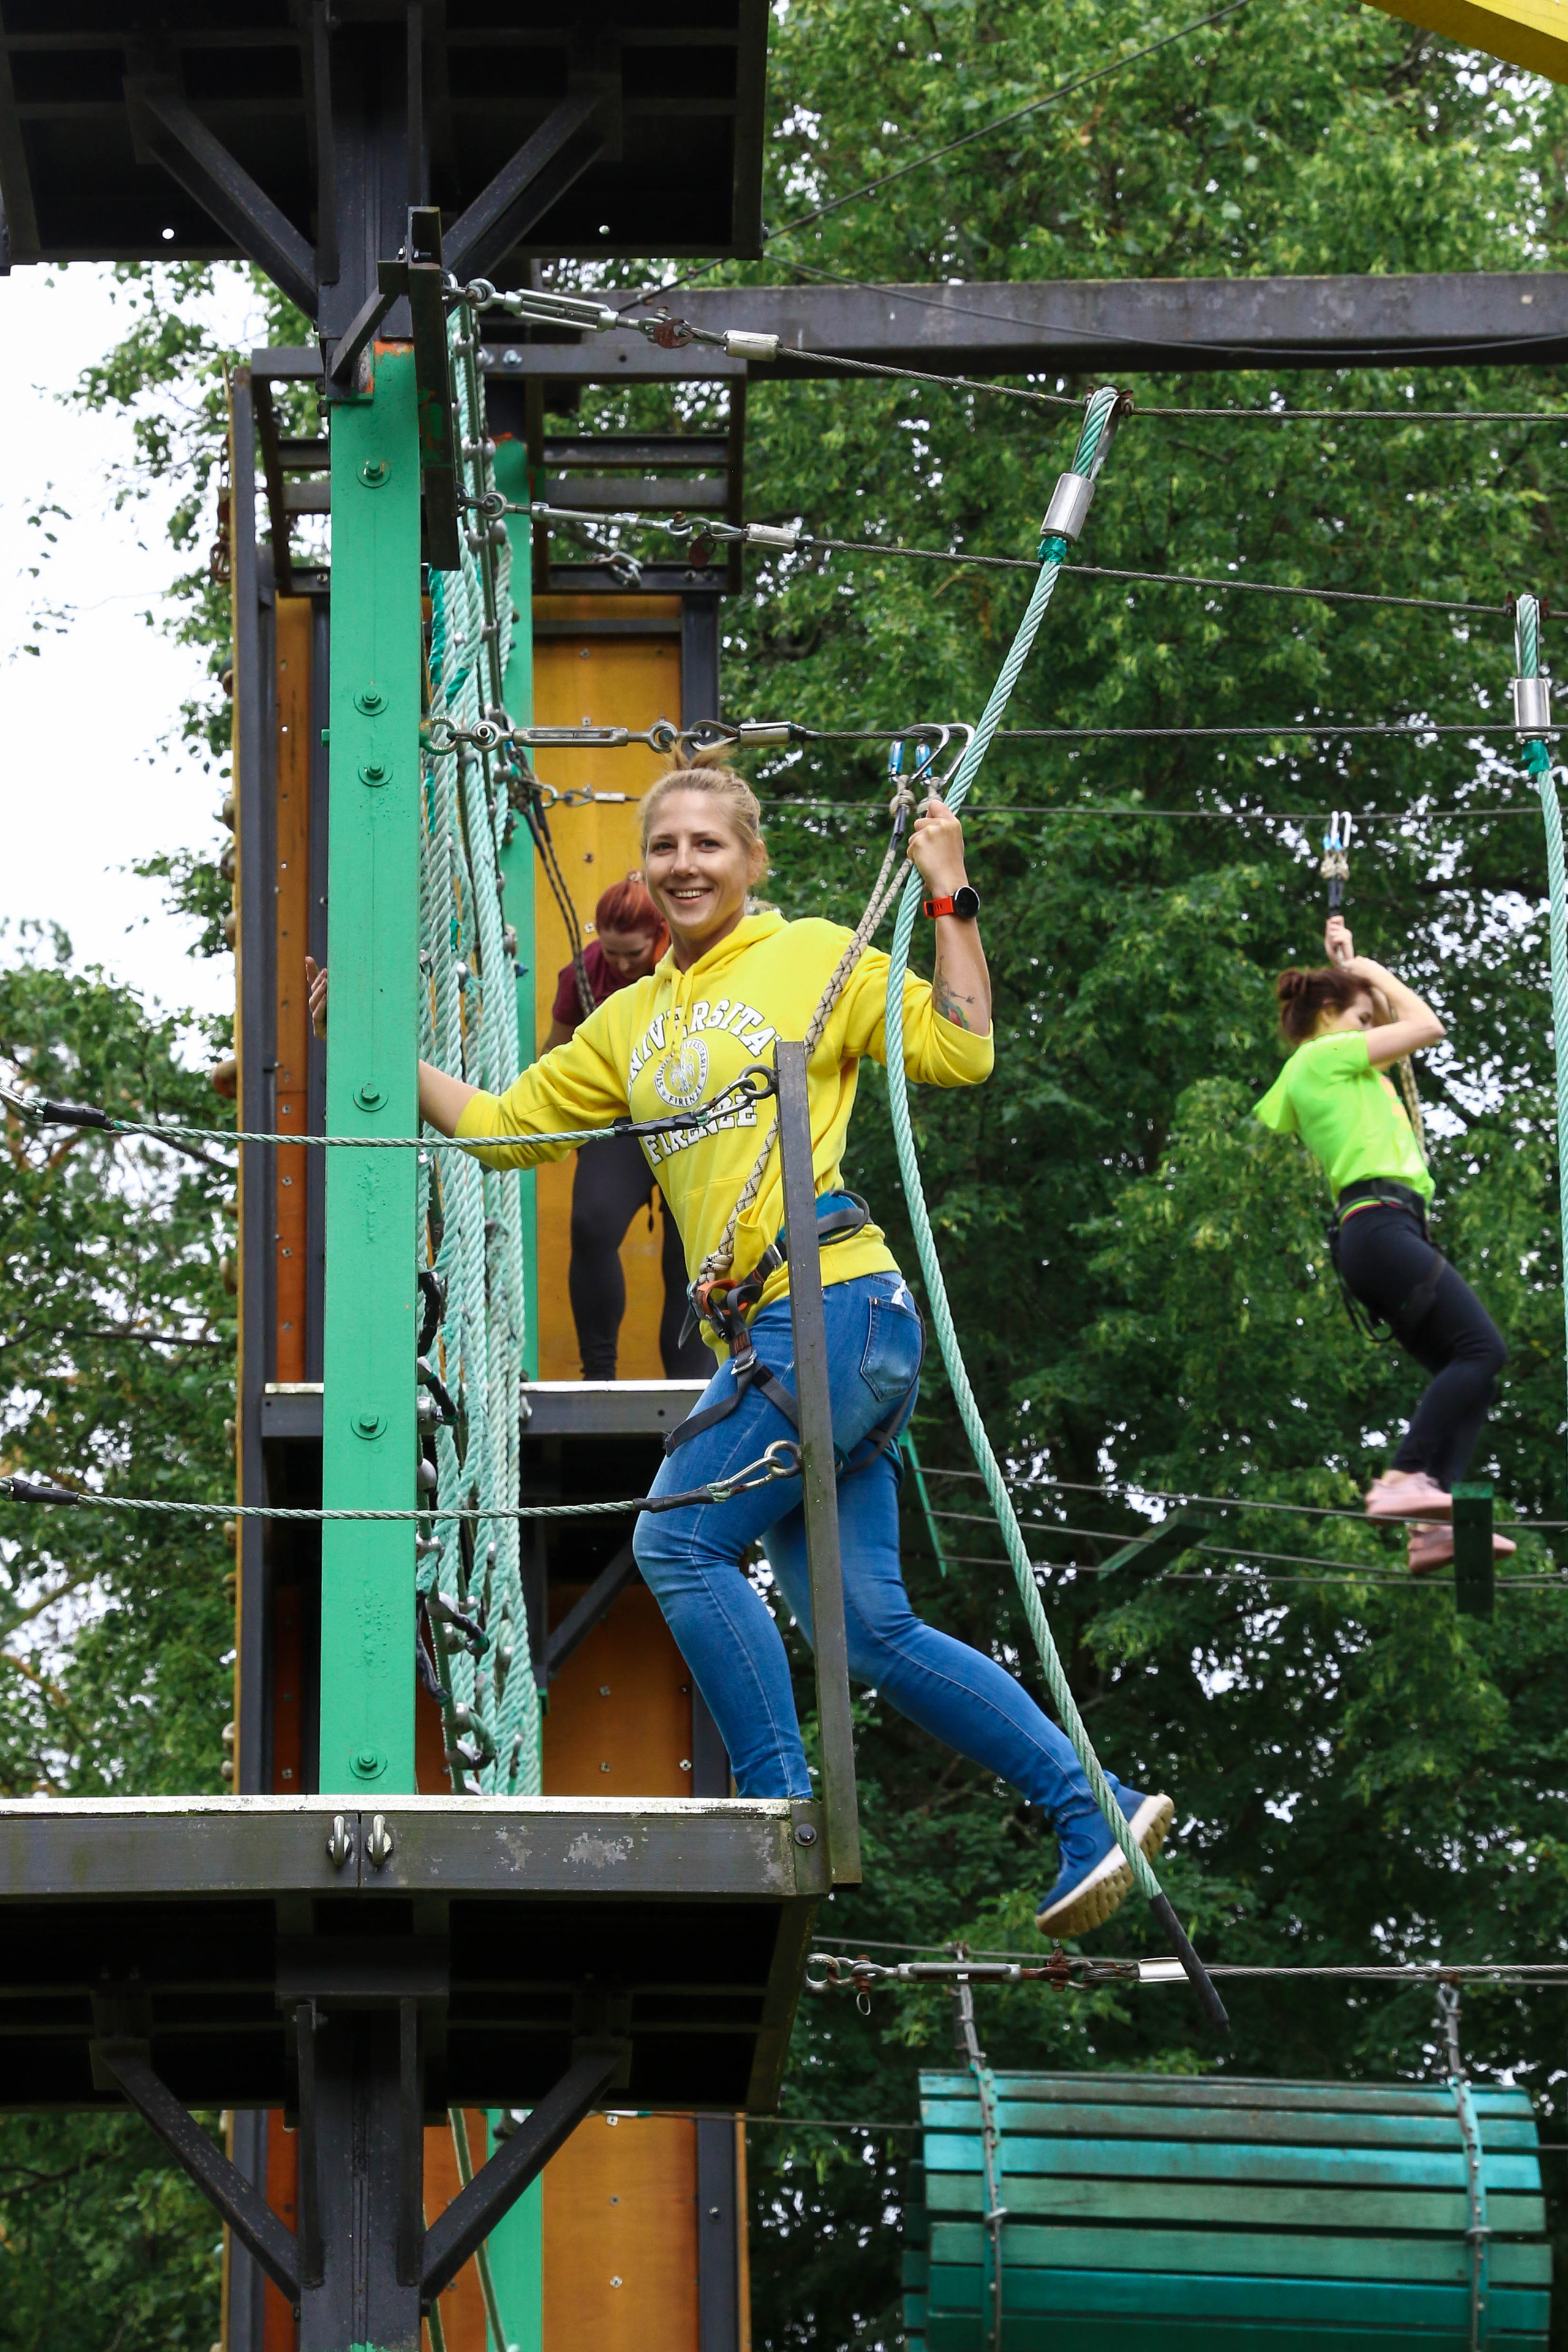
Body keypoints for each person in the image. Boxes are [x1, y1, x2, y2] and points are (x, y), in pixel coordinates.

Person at [339, 761, 1176, 1940]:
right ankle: (1096, 1805)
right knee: (872, 1632)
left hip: (833, 1306)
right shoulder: (628, 1024)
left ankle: (776, 1810)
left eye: (708, 846)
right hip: (788, 1336)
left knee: (677, 1543)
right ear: (645, 867)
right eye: (664, 847)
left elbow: (963, 1048)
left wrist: (950, 895)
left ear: (752, 860)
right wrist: (374, 1053)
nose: (685, 865)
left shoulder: (812, 960)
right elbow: (504, 1131)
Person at [1256, 915, 1511, 1574]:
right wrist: (1368, 970)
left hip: (1378, 1234)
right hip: (1379, 1225)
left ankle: (1435, 1524)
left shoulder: (1338, 1071)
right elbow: (1427, 1026)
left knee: (1471, 1372)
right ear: (1332, 1014)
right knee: (1482, 1349)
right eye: (1364, 1019)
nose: (1375, 1033)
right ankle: (1404, 1480)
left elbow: (1401, 1033)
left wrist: (1349, 969)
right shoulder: (1320, 1056)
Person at [543, 873, 709, 1381]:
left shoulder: (695, 962)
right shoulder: (585, 974)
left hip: (695, 1118)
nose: (618, 964)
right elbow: (555, 1055)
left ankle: (690, 1385)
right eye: (610, 952)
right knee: (591, 1224)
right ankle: (599, 1374)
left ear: (661, 932)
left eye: (630, 954)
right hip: (621, 1120)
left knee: (689, 1253)